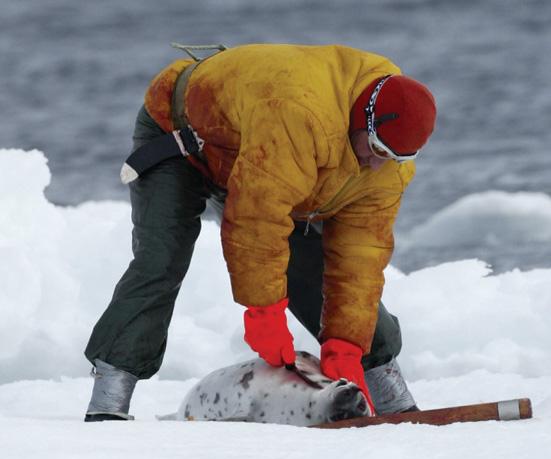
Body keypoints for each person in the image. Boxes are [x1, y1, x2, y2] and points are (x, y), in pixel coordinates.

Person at [83, 43, 436, 421]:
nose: (377, 162)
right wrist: (264, 315)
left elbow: (360, 256)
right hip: (184, 137)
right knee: (162, 258)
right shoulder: (300, 116)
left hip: (267, 152)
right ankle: (109, 400)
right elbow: (257, 221)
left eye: (395, 157)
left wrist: (346, 345)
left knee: (312, 269)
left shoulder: (388, 167)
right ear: (363, 119)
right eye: (377, 148)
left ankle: (390, 395)